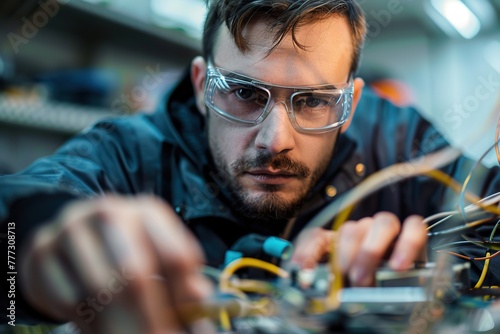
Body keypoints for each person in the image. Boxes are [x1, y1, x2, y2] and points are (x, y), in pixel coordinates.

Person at [1, 0, 500, 333]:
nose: (275, 140)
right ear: (201, 86)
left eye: (312, 101)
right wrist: (31, 258)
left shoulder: (400, 141)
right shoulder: (132, 153)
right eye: (243, 93)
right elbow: (16, 218)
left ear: (351, 103)